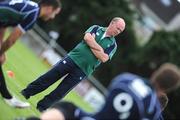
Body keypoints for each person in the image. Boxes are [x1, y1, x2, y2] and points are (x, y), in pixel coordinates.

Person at [21, 17, 126, 111]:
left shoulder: (113, 45)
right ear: (112, 23)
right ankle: (27, 92)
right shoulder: (96, 28)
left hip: (84, 70)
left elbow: (103, 58)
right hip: (72, 58)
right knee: (49, 77)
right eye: (118, 28)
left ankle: (42, 107)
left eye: (121, 31)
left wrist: (92, 43)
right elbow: (87, 38)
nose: (118, 32)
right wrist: (99, 49)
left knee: (61, 91)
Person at [24, 63, 180, 120]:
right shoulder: (153, 111)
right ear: (168, 89)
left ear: (156, 73)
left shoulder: (126, 79)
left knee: (66, 107)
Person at [0, 0, 61, 108]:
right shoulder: (33, 14)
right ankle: (9, 98)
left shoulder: (30, 6)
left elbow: (3, 23)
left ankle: (8, 97)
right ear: (49, 8)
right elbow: (12, 39)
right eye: (55, 13)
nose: (53, 17)